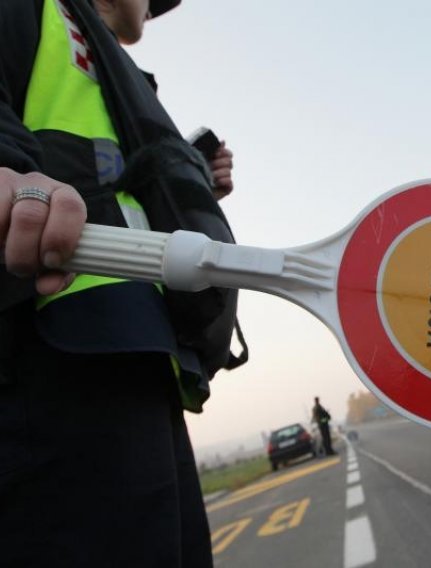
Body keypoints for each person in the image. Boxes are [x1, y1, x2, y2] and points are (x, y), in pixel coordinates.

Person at [0, 1, 236, 565]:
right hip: (50, 342)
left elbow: (112, 179)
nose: (152, 8)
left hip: (139, 344)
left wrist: (192, 182)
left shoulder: (108, 64)